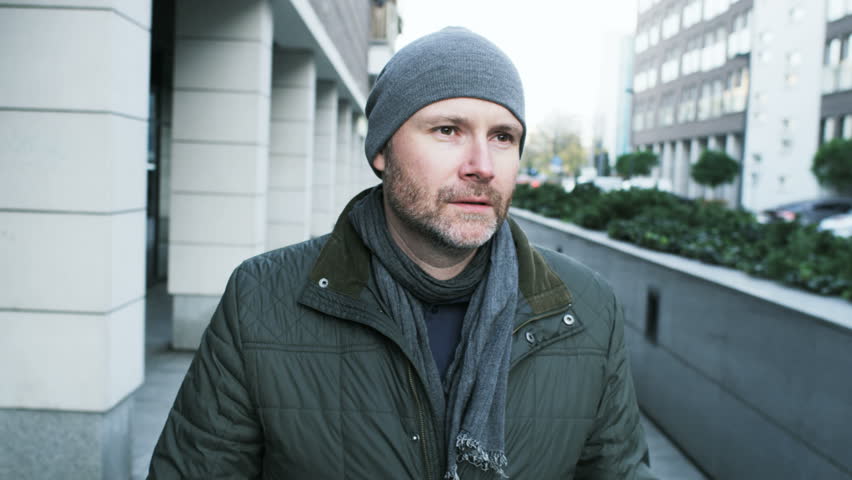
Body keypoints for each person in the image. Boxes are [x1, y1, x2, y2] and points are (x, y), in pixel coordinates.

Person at [148, 27, 655, 480]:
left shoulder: (584, 308)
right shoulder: (261, 298)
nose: (482, 165)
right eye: (447, 130)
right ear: (381, 151)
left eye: (503, 137)